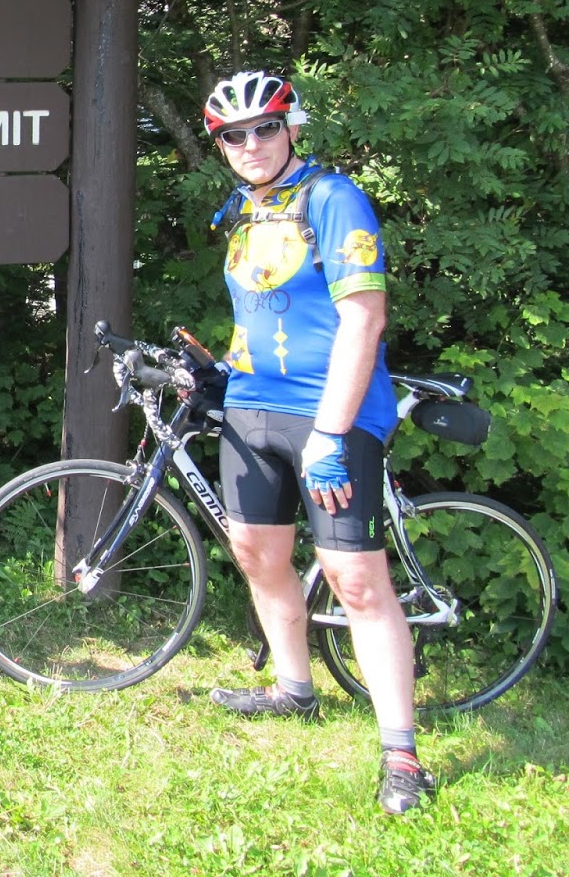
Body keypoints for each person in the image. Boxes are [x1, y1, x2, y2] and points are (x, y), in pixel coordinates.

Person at [199, 70, 433, 815]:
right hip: (253, 407)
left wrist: (331, 432)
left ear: (290, 128)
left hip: (332, 414)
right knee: (255, 554)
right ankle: (295, 689)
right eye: (233, 135)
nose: (250, 144)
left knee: (354, 578)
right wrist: (219, 373)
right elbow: (260, 311)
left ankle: (402, 756)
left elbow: (363, 321)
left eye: (263, 128)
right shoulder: (242, 209)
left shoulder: (333, 200)